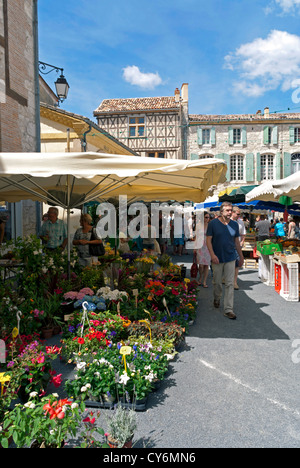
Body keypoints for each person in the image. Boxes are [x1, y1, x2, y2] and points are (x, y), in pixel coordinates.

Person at [206, 202, 244, 320]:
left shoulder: (234, 225)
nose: (229, 212)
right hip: (217, 258)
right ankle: (217, 298)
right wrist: (212, 255)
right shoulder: (213, 224)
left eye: (231, 210)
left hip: (230, 257)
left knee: (229, 284)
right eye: (227, 210)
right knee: (217, 283)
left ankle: (228, 309)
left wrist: (241, 256)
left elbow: (236, 242)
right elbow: (208, 240)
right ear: (221, 211)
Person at [194, 212, 211, 287]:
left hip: (208, 246)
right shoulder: (198, 226)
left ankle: (204, 281)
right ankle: (200, 277)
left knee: (206, 265)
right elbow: (196, 237)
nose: (207, 219)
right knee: (200, 265)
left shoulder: (210, 226)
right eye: (206, 217)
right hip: (200, 246)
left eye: (208, 217)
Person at [231, 206, 246, 290]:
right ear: (233, 213)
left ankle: (234, 282)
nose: (239, 216)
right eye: (237, 214)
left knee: (236, 264)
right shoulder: (227, 221)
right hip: (228, 245)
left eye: (240, 214)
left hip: (237, 245)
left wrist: (242, 242)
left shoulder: (240, 222)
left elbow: (243, 233)